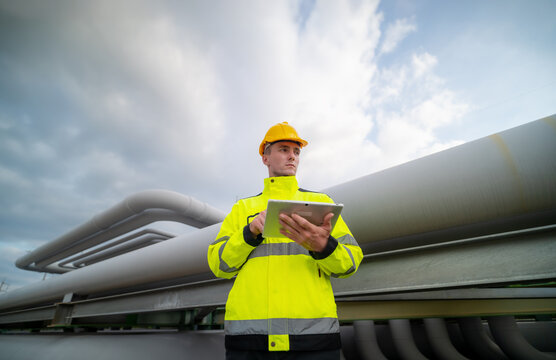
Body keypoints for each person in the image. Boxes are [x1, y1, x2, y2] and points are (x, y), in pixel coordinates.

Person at [207, 122, 363, 359]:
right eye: (283, 149)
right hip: (250, 341)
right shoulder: (242, 209)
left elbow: (350, 262)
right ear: (265, 158)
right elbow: (219, 265)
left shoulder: (322, 203)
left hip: (313, 340)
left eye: (296, 151)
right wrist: (249, 233)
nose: (292, 156)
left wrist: (323, 247)